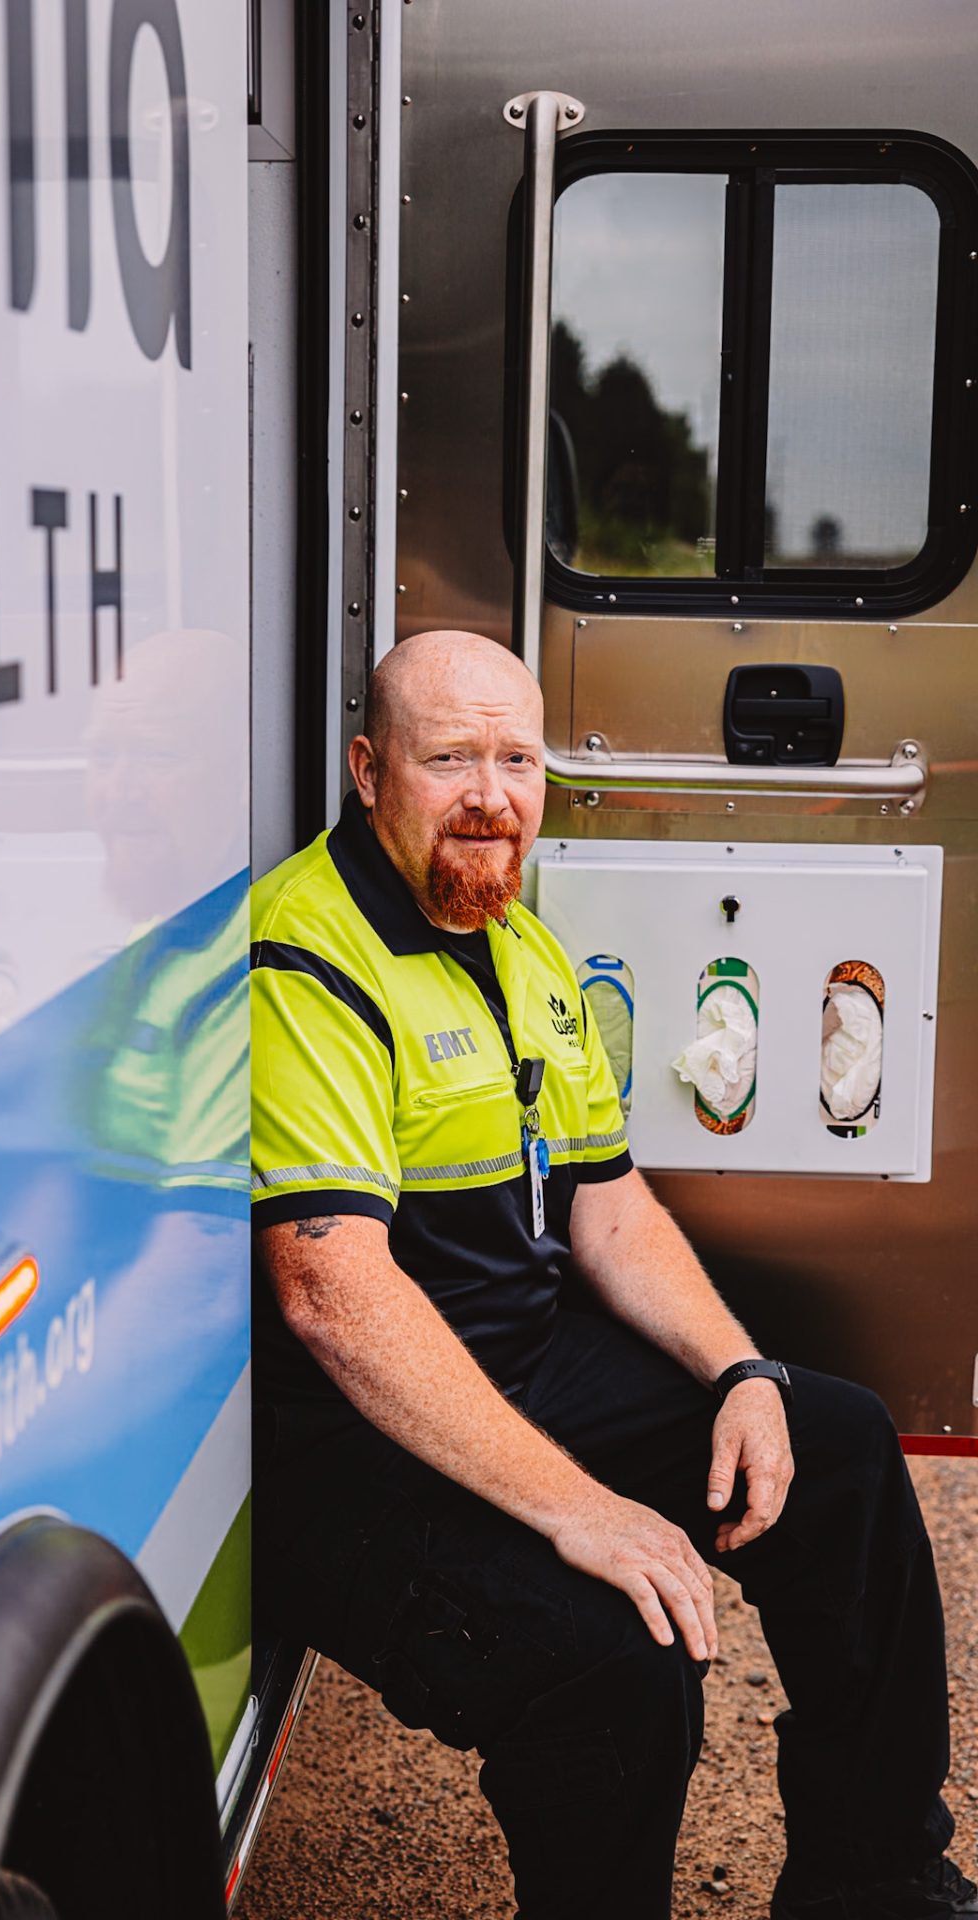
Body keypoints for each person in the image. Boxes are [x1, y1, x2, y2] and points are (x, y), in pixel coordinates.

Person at [249, 630, 971, 1920]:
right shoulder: (311, 957)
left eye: (517, 758)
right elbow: (335, 1297)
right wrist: (578, 1508)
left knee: (842, 1446)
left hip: (517, 1365)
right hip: (358, 1437)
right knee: (615, 1661)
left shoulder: (519, 941)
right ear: (369, 771)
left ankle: (873, 1877)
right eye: (449, 757)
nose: (492, 794)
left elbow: (607, 1202)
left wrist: (742, 1371)